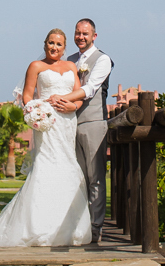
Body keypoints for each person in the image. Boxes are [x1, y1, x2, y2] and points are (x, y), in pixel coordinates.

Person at [0, 29, 92, 247]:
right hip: (46, 123)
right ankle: (38, 227)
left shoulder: (71, 67)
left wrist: (72, 105)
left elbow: (79, 96)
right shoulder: (36, 66)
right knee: (46, 166)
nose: (54, 47)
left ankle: (69, 229)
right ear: (45, 44)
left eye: (59, 44)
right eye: (51, 43)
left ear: (65, 48)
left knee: (67, 166)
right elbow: (28, 95)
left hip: (67, 122)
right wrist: (37, 111)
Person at [48, 18, 113, 244]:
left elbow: (89, 88)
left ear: (94, 36)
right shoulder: (70, 60)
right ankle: (77, 225)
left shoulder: (103, 59)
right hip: (69, 124)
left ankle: (96, 228)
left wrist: (63, 99)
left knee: (95, 177)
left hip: (94, 123)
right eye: (77, 33)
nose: (80, 37)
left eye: (85, 33)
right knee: (76, 176)